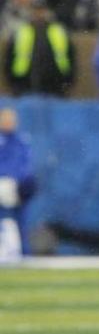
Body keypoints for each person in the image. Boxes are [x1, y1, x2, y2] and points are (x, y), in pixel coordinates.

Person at [2, 0, 73, 96]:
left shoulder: (58, 32)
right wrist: (13, 83)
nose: (39, 14)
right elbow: (9, 58)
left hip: (55, 86)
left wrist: (67, 82)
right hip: (24, 85)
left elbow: (70, 56)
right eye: (36, 10)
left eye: (41, 10)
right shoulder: (21, 31)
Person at [0, 107, 33, 261]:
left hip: (16, 187)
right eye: (5, 119)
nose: (8, 123)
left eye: (11, 120)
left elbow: (26, 166)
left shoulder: (21, 140)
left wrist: (15, 182)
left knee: (22, 222)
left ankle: (24, 253)